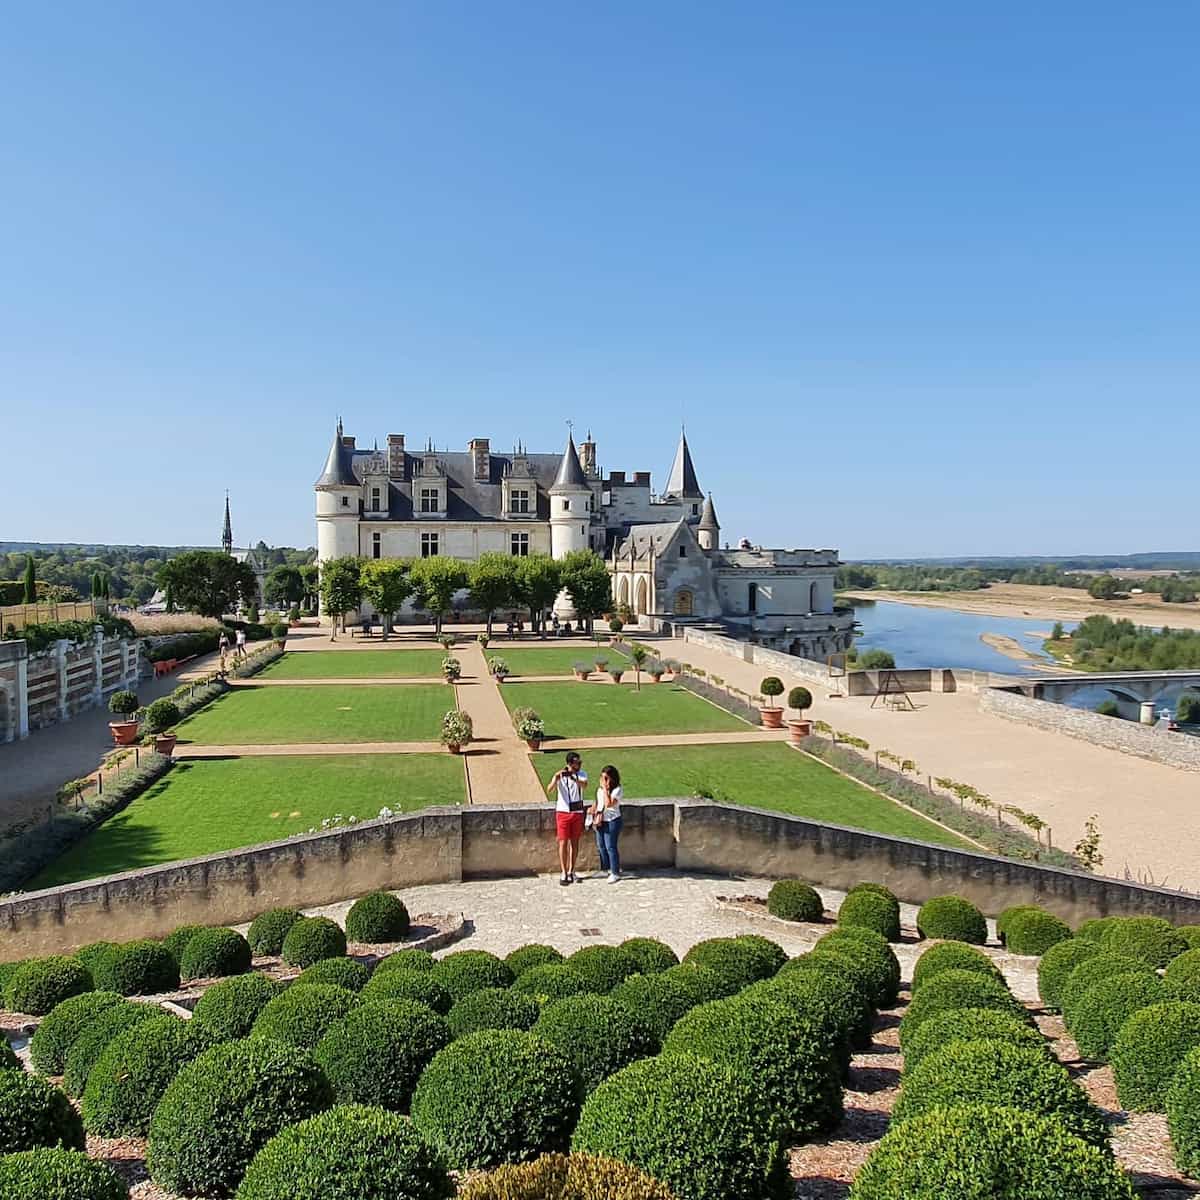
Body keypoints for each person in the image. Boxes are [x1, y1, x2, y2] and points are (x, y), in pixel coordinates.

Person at [547, 752, 588, 886]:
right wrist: (556, 778)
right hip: (563, 812)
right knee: (563, 843)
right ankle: (564, 871)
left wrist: (574, 778)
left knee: (575, 842)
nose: (580, 765)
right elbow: (550, 789)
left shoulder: (581, 774)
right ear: (570, 764)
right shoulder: (560, 775)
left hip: (577, 812)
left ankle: (571, 870)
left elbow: (584, 785)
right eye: (577, 763)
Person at [592, 764, 624, 883]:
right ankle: (606, 868)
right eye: (602, 777)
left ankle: (615, 872)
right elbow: (599, 802)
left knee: (611, 846)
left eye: (606, 778)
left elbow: (609, 803)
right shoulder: (600, 790)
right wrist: (593, 809)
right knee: (601, 846)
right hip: (601, 820)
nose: (604, 780)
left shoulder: (617, 790)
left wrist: (605, 789)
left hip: (612, 821)